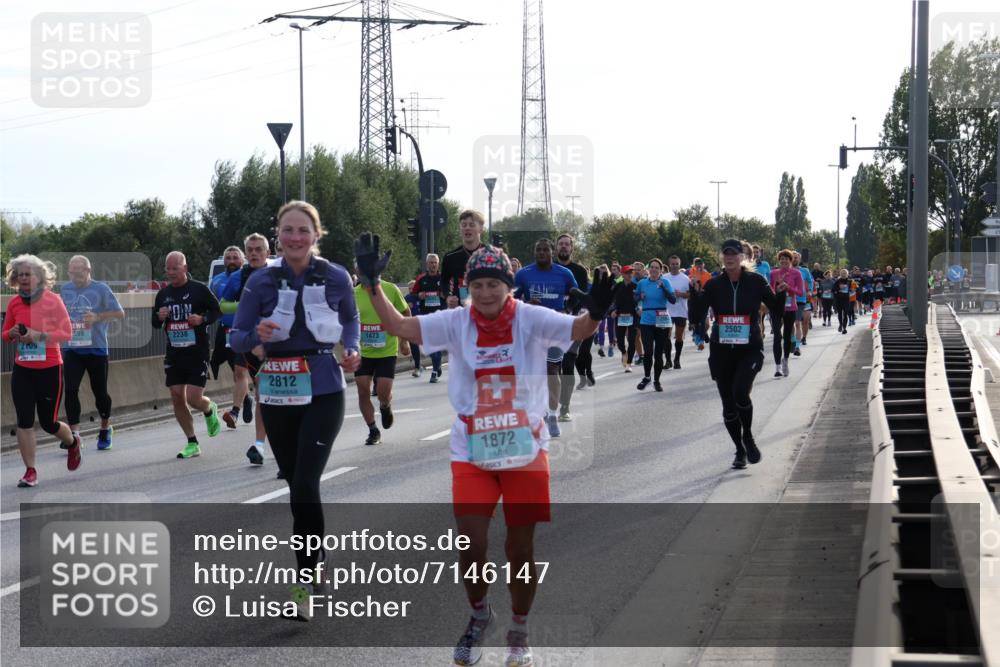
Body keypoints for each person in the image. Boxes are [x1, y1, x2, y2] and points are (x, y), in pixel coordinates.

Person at [352, 234, 614, 667]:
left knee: (520, 550)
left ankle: (519, 630)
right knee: (470, 545)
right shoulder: (456, 322)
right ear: (468, 289)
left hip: (525, 448)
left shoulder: (529, 317)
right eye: (478, 286)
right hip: (471, 449)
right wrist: (371, 284)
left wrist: (597, 312)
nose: (486, 293)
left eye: (494, 284)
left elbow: (578, 330)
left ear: (508, 286)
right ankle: (480, 616)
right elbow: (400, 326)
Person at [230, 201, 360, 619]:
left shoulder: (335, 275)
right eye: (287, 230)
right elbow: (235, 336)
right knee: (295, 486)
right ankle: (315, 557)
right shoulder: (261, 281)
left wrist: (353, 349)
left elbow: (351, 320)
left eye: (303, 230)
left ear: (316, 234)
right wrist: (256, 336)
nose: (295, 238)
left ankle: (303, 587)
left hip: (323, 388)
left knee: (305, 483)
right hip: (279, 393)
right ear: (278, 236)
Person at [703, 240, 787, 469]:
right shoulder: (713, 285)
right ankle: (739, 450)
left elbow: (777, 309)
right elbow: (698, 312)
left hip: (749, 347)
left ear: (742, 257)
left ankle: (748, 436)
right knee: (728, 405)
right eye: (726, 253)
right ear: (722, 257)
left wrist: (781, 294)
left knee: (740, 391)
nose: (729, 257)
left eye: (734, 253)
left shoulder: (756, 281)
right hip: (721, 350)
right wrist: (695, 301)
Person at [4, 254, 81, 486]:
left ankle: (72, 442)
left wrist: (40, 336)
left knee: (48, 422)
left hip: (49, 368)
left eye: (29, 274)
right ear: (15, 279)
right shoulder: (14, 303)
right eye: (20, 275)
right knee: (24, 421)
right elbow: (5, 334)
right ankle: (30, 471)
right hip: (23, 369)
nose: (24, 278)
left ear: (39, 277)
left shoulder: (53, 300)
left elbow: (67, 333)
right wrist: (13, 334)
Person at [152, 251, 223, 458]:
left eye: (175, 268)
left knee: (193, 398)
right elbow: (155, 323)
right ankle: (192, 442)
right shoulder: (163, 295)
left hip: (197, 351)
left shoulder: (199, 289)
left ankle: (208, 408)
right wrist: (159, 316)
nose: (171, 272)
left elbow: (217, 311)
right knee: (176, 396)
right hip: (174, 352)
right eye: (168, 269)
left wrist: (202, 320)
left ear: (185, 268)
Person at [60, 254, 125, 450]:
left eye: (79, 272)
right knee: (70, 390)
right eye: (72, 272)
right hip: (72, 348)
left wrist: (97, 317)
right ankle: (74, 436)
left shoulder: (101, 288)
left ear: (88, 271)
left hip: (96, 348)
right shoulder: (65, 289)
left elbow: (120, 313)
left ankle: (105, 428)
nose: (75, 276)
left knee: (100, 393)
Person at [513, 238, 578, 434]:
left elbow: (575, 295)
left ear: (552, 252)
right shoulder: (523, 274)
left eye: (545, 250)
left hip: (554, 329)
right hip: (531, 330)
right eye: (538, 250)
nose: (541, 253)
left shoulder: (564, 273)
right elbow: (512, 300)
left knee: (552, 370)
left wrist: (567, 310)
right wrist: (525, 305)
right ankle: (537, 412)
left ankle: (551, 414)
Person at [220, 233, 272, 465]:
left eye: (258, 249)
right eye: (249, 249)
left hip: (275, 344)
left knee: (271, 396)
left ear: (267, 253)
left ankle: (283, 446)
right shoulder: (237, 278)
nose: (253, 253)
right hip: (247, 341)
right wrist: (244, 306)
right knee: (259, 391)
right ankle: (259, 446)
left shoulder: (277, 275)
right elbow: (223, 305)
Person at [355, 265, 410, 446]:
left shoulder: (390, 289)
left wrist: (404, 340)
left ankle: (385, 406)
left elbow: (405, 312)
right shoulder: (353, 293)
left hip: (386, 349)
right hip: (364, 351)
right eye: (360, 270)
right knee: (363, 389)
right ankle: (373, 429)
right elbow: (346, 318)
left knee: (383, 392)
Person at [211, 245, 250, 429]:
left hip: (244, 330)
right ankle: (246, 398)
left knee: (240, 371)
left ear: (242, 260)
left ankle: (234, 412)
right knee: (234, 371)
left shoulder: (248, 278)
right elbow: (211, 306)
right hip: (224, 331)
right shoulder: (216, 280)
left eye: (235, 257)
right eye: (229, 258)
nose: (232, 261)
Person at [555, 234, 594, 391]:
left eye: (567, 244)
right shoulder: (549, 269)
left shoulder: (579, 271)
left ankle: (565, 403)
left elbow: (582, 295)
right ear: (556, 247)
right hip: (552, 321)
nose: (564, 246)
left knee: (568, 360)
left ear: (572, 248)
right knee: (553, 363)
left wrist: (569, 308)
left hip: (573, 320)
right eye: (561, 244)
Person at [633, 258, 677, 392]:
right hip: (646, 319)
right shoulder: (642, 283)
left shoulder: (665, 282)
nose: (653, 269)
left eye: (656, 268)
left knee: (658, 353)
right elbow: (634, 299)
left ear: (661, 270)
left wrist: (663, 287)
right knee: (648, 352)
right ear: (649, 269)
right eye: (652, 267)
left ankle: (656, 380)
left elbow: (673, 300)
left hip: (662, 318)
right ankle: (647, 377)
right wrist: (639, 298)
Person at [769, 250, 804, 378]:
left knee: (787, 336)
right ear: (779, 260)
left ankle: (785, 361)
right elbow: (770, 290)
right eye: (781, 259)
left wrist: (788, 287)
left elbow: (800, 292)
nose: (784, 261)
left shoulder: (796, 273)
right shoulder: (773, 273)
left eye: (786, 259)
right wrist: (777, 290)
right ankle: (777, 367)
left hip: (790, 307)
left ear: (791, 260)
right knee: (777, 336)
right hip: (776, 308)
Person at [442, 210, 486, 308]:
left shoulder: (491, 255)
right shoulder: (450, 257)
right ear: (460, 229)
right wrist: (448, 297)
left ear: (481, 229)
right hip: (460, 311)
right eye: (464, 225)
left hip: (485, 311)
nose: (467, 228)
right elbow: (444, 282)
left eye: (471, 225)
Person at [412, 252, 445, 383]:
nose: (433, 265)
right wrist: (419, 295)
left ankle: (435, 371)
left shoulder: (443, 278)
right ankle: (437, 364)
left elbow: (452, 292)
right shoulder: (421, 279)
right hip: (426, 315)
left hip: (440, 315)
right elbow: (413, 294)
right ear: (427, 264)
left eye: (435, 262)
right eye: (431, 262)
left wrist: (444, 294)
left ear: (438, 264)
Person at [664, 255, 691, 370]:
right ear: (669, 264)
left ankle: (677, 360)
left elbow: (691, 295)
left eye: (676, 264)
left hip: (681, 311)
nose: (674, 266)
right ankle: (668, 360)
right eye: (672, 264)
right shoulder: (664, 278)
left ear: (679, 264)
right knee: (666, 337)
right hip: (667, 312)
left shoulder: (685, 279)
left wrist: (681, 294)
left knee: (679, 337)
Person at [612, 265, 639, 372]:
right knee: (620, 341)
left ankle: (628, 364)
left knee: (632, 340)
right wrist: (612, 311)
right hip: (620, 316)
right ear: (622, 274)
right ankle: (624, 353)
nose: (630, 275)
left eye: (631, 273)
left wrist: (639, 308)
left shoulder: (636, 286)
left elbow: (639, 301)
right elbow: (612, 301)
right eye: (627, 273)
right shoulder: (617, 286)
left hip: (633, 316)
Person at [687, 257, 712, 351]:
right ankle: (700, 339)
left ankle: (701, 335)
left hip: (704, 301)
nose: (699, 267)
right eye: (697, 265)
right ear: (694, 266)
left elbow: (711, 287)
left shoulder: (707, 275)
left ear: (703, 265)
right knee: (696, 322)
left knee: (705, 323)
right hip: (693, 301)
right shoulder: (690, 274)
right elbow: (687, 286)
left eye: (700, 265)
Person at [792, 252, 813, 353]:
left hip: (801, 299)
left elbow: (810, 281)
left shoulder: (804, 271)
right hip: (788, 300)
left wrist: (809, 290)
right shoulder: (786, 270)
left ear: (799, 260)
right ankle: (792, 341)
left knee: (798, 323)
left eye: (796, 258)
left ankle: (797, 346)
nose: (795, 259)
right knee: (789, 323)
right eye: (793, 258)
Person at [834, 268, 852, 334]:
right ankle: (840, 325)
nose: (843, 274)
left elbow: (855, 289)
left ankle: (844, 328)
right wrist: (839, 289)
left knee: (845, 314)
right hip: (839, 299)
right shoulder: (837, 281)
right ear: (840, 274)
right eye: (842, 273)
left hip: (847, 300)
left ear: (847, 274)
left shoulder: (850, 281)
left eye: (845, 273)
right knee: (840, 313)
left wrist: (852, 290)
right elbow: (834, 290)